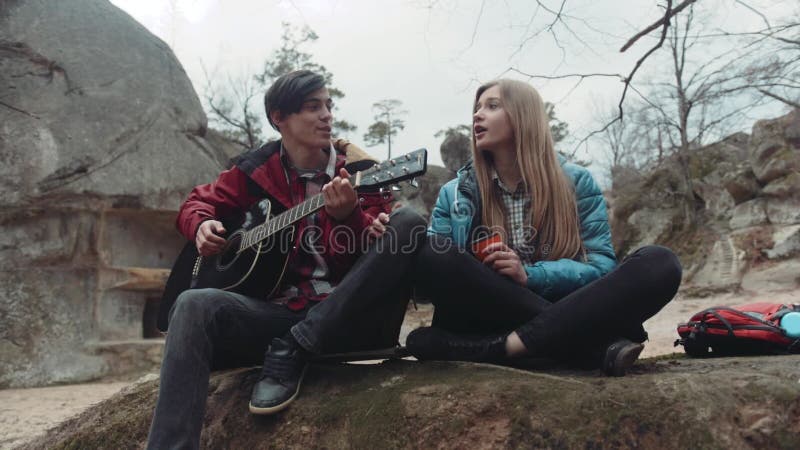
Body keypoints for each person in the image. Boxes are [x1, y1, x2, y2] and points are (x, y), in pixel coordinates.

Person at [147, 70, 426, 450]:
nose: (327, 115)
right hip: (274, 318)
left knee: (408, 222)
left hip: (340, 318)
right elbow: (197, 202)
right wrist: (202, 225)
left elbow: (365, 267)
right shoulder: (256, 171)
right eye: (313, 107)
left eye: (329, 106)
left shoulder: (362, 174)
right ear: (279, 117)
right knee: (193, 302)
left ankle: (296, 347)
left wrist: (347, 218)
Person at [402, 79, 682, 375]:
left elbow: (600, 266)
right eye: (477, 108)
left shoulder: (576, 182)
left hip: (563, 305)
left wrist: (530, 276)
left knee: (660, 263)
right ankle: (588, 345)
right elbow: (433, 280)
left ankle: (505, 348)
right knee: (432, 252)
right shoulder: (454, 193)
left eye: (492, 106)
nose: (477, 115)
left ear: (524, 116)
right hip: (489, 313)